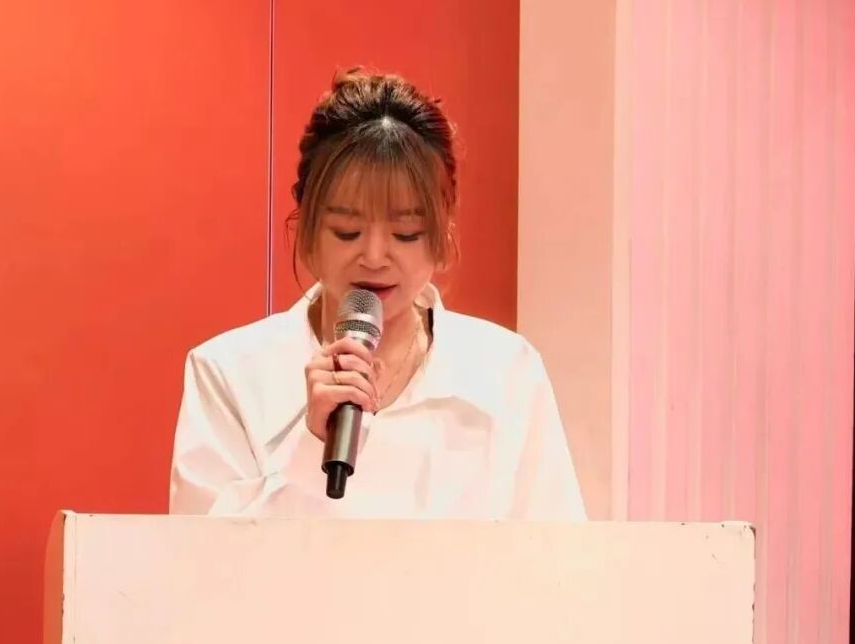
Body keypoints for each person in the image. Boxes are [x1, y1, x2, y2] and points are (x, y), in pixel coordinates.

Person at [169, 67, 586, 520]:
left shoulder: (506, 371)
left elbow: (557, 553)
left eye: (406, 233)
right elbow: (200, 555)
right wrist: (309, 449)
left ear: (442, 232)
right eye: (346, 231)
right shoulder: (229, 373)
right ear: (307, 229)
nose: (373, 256)